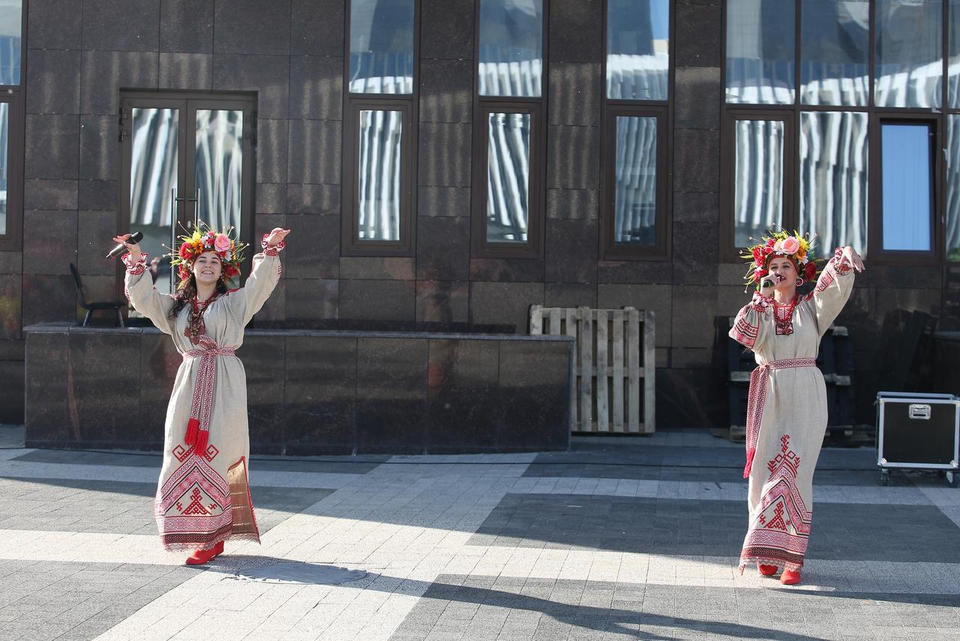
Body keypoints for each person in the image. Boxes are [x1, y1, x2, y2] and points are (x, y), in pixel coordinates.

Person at [113, 224, 291, 565]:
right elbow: (144, 299)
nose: (208, 266)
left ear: (223, 269)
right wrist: (135, 258)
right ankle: (195, 530)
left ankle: (214, 536)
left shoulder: (235, 304)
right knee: (180, 451)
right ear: (189, 267)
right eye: (201, 260)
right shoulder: (176, 309)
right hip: (190, 382)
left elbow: (259, 285)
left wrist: (270, 249)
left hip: (225, 384)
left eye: (214, 261)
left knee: (219, 453)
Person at [729, 230, 864, 585]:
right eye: (773, 266)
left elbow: (833, 289)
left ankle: (792, 559)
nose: (779, 271)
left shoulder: (811, 308)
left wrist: (843, 258)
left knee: (797, 472)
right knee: (764, 471)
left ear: (798, 272)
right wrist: (762, 295)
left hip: (806, 391)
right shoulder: (760, 309)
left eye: (785, 265)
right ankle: (765, 552)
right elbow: (742, 334)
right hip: (771, 390)